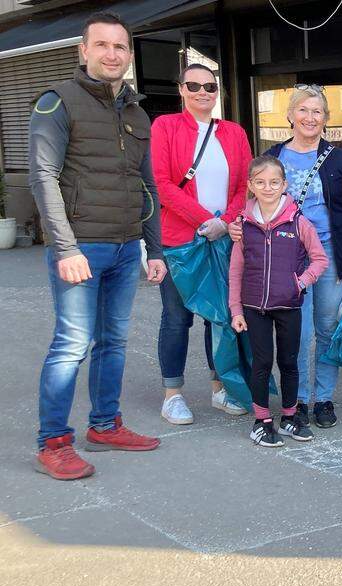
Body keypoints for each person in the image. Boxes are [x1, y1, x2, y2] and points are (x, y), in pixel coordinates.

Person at [28, 12, 166, 480]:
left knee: (113, 342)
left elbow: (146, 186)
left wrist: (156, 250)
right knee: (72, 344)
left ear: (129, 55)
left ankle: (105, 425)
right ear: (83, 51)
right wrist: (65, 249)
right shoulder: (57, 102)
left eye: (120, 47)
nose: (112, 54)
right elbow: (43, 179)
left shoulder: (136, 110)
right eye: (102, 45)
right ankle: (52, 442)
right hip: (82, 247)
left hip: (127, 247)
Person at [232, 86, 342, 430]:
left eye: (318, 112)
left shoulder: (340, 161)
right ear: (291, 115)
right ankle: (297, 401)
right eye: (304, 111)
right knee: (298, 333)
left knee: (326, 329)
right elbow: (253, 201)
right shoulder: (273, 156)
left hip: (330, 258)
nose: (311, 118)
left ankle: (323, 398)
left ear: (326, 119)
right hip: (282, 260)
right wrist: (239, 226)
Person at [151, 62, 253, 424]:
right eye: (193, 86)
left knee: (221, 317)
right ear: (181, 89)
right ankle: (172, 394)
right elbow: (161, 184)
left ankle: (219, 387)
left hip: (223, 239)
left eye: (209, 86)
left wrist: (225, 223)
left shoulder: (234, 132)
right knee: (176, 318)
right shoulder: (164, 126)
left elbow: (245, 186)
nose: (202, 92)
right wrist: (203, 220)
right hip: (179, 241)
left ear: (217, 92)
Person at [229, 156, 329, 447]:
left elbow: (320, 260)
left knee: (289, 362)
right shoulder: (243, 225)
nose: (268, 187)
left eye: (274, 182)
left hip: (289, 305)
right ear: (250, 186)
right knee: (261, 362)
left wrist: (299, 283)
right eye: (260, 182)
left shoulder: (298, 222)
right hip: (253, 306)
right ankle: (261, 421)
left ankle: (289, 417)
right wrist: (236, 309)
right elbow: (235, 270)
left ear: (284, 185)